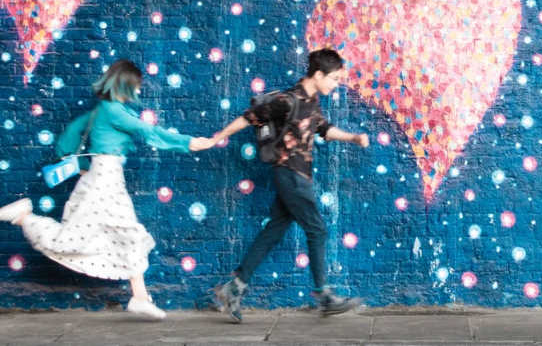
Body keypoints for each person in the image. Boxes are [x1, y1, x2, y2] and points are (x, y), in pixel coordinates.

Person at [0, 59, 217, 320]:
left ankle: (139, 297)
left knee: (127, 234)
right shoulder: (113, 111)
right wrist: (190, 143)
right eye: (136, 85)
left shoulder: (102, 110)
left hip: (104, 177)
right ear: (125, 84)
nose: (138, 90)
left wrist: (82, 165)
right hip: (105, 179)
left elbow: (70, 136)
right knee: (76, 239)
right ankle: (24, 216)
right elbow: (148, 131)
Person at [212, 48, 368, 323]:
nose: (336, 84)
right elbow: (249, 117)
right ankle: (324, 296)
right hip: (290, 175)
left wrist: (353, 137)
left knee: (274, 231)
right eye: (334, 78)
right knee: (317, 230)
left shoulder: (312, 102)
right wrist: (217, 138)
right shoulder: (287, 100)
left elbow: (323, 129)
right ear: (318, 74)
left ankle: (234, 287)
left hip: (298, 176)